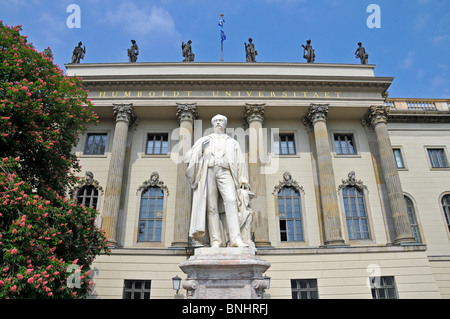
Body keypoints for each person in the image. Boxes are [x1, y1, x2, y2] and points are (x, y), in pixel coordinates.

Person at [185, 114, 251, 248]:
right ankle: (216, 240)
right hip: (209, 171)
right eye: (216, 121)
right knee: (212, 207)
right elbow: (188, 157)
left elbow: (240, 162)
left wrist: (243, 179)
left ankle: (235, 239)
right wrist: (199, 149)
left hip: (225, 171)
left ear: (225, 124)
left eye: (221, 121)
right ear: (212, 124)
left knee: (231, 201)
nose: (218, 122)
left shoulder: (232, 142)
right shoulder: (204, 140)